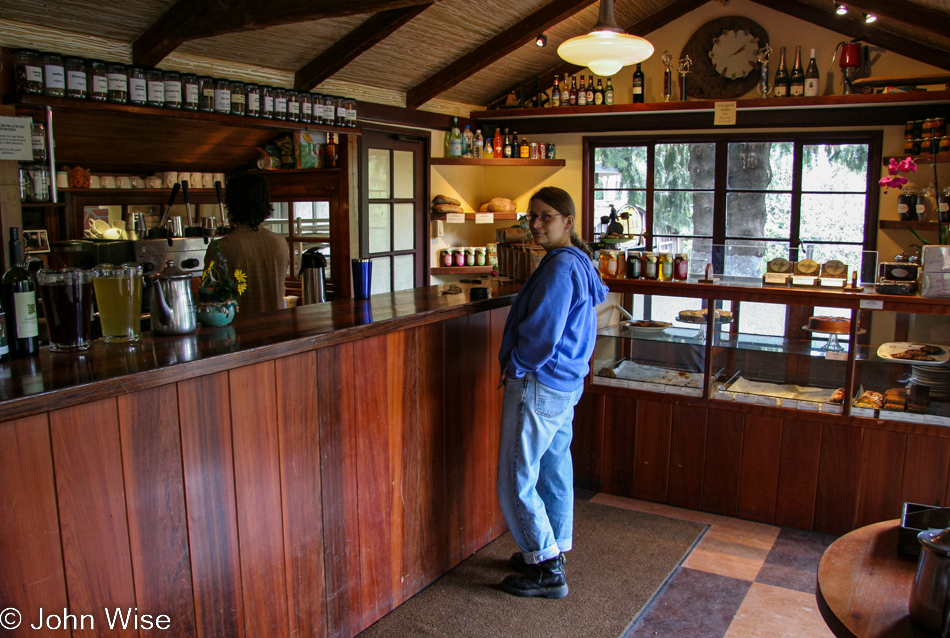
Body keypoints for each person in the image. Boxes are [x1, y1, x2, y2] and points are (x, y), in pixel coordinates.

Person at [496, 186, 608, 599]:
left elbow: (543, 334)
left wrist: (517, 365)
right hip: (566, 383)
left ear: (568, 221)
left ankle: (544, 566)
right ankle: (553, 547)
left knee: (516, 474)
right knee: (554, 468)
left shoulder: (560, 268)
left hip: (539, 382)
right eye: (532, 215)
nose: (536, 223)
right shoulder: (578, 261)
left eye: (546, 216)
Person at [204, 173, 290, 316]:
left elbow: (208, 297)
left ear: (231, 204)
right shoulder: (280, 243)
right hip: (277, 328)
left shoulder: (220, 248)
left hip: (239, 330)